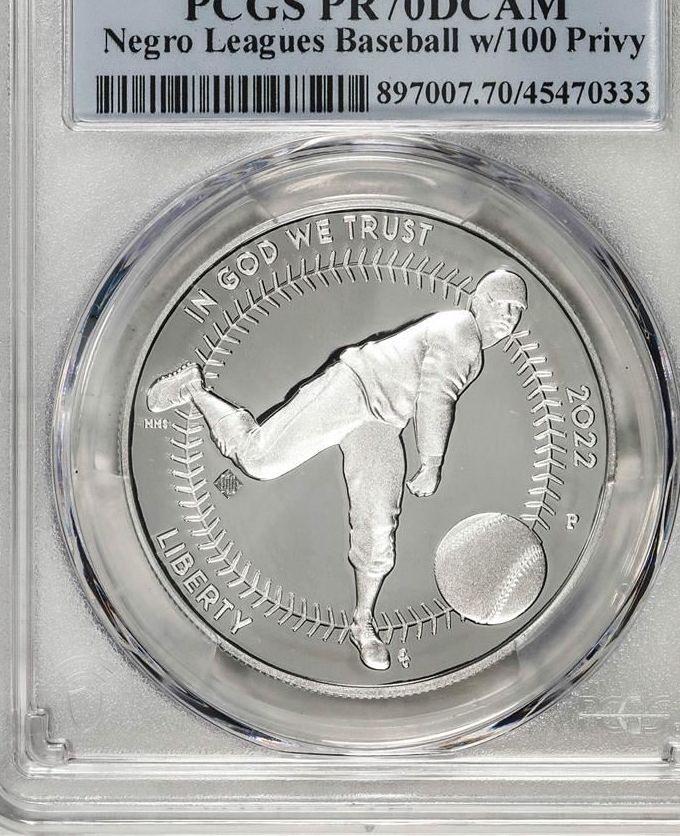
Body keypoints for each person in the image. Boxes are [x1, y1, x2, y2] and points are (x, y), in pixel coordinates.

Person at [147, 268, 527, 671]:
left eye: (515, 309)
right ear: (477, 301)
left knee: (378, 525)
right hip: (353, 388)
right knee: (258, 459)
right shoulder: (461, 330)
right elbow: (436, 397)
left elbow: (429, 397)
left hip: (381, 422)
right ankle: (193, 389)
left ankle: (362, 625)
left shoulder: (471, 349)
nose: (507, 315)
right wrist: (431, 463)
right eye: (499, 304)